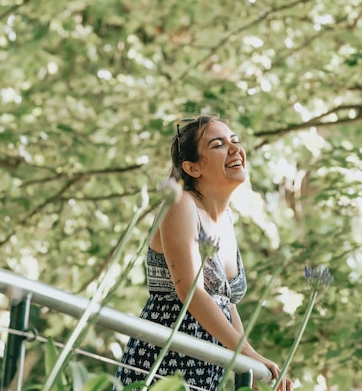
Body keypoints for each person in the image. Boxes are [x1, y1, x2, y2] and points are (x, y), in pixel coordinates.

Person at [115, 115, 293, 390]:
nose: (235, 149)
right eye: (219, 144)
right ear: (193, 167)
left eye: (235, 140)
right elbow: (191, 291)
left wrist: (252, 369)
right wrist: (246, 355)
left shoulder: (227, 221)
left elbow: (225, 302)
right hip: (168, 361)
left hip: (209, 366)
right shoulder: (180, 204)